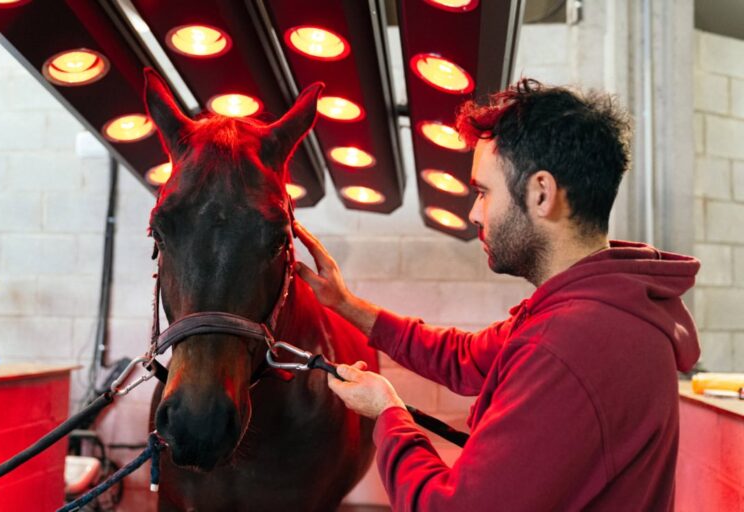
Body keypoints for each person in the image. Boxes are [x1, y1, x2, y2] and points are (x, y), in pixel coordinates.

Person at [293, 79, 700, 511]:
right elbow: (464, 357)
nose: (473, 213)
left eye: (483, 192)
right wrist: (346, 305)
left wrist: (389, 415)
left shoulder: (569, 344)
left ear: (541, 193)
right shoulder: (596, 307)